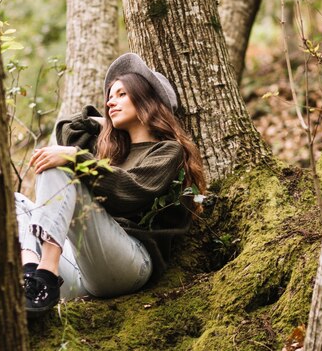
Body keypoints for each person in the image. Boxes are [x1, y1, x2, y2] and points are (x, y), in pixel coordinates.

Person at [16, 52, 206, 317]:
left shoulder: (167, 151)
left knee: (60, 164)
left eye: (121, 95)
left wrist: (75, 158)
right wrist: (101, 123)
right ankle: (31, 276)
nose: (110, 102)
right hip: (81, 270)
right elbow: (66, 129)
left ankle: (44, 273)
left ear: (145, 101)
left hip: (129, 263)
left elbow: (129, 191)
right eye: (109, 96)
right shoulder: (111, 152)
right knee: (13, 201)